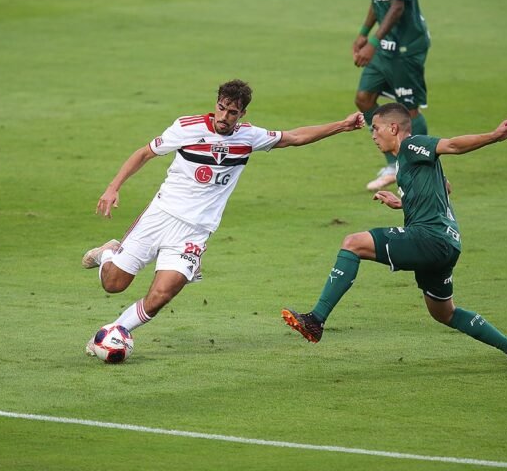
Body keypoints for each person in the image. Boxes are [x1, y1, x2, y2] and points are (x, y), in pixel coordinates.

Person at [82, 79, 365, 354]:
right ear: (215, 104)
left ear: (242, 114)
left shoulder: (249, 136)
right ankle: (108, 253)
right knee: (113, 284)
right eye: (221, 108)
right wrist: (113, 187)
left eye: (232, 112)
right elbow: (144, 153)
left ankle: (114, 332)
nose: (224, 117)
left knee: (161, 296)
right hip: (160, 217)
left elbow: (293, 137)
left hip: (194, 233)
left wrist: (342, 125)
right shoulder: (186, 128)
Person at [281, 103, 507, 369]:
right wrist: (402, 204)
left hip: (430, 237)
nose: (373, 135)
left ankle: (316, 320)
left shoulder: (411, 145)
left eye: (376, 128)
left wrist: (494, 135)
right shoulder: (406, 164)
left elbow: (452, 145)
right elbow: (445, 188)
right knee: (444, 313)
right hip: (448, 244)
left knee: (353, 243)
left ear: (393, 128)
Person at [353, 0, 431, 191]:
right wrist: (363, 33)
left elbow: (398, 7)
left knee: (410, 109)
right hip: (385, 47)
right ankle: (393, 166)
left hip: (406, 47)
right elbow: (378, 0)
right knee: (364, 98)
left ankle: (420, 167)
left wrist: (372, 43)